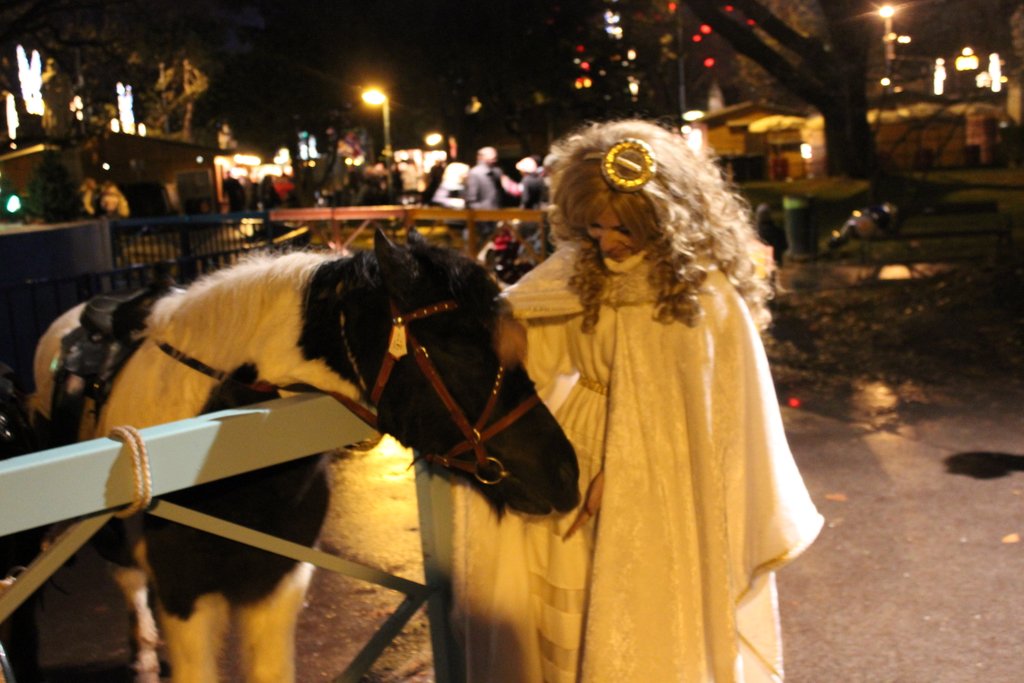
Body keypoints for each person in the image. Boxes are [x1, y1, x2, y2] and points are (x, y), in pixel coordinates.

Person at [452, 119, 823, 682]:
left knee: (635, 606)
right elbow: (534, 338)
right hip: (568, 454)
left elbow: (711, 415)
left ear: (663, 219)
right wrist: (503, 336)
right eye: (595, 225)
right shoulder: (581, 267)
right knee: (560, 606)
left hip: (663, 480)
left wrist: (622, 473)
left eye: (621, 227)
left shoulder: (700, 294)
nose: (607, 241)